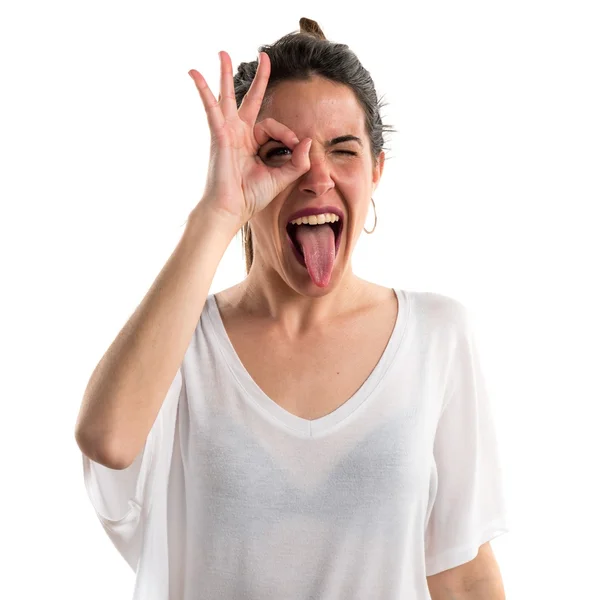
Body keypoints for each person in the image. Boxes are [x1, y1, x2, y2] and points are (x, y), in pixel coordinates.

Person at [74, 18, 509, 600]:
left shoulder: (438, 335)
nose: (317, 175)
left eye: (343, 150)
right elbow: (107, 439)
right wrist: (219, 211)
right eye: (281, 152)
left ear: (376, 172)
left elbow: (462, 575)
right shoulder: (182, 342)